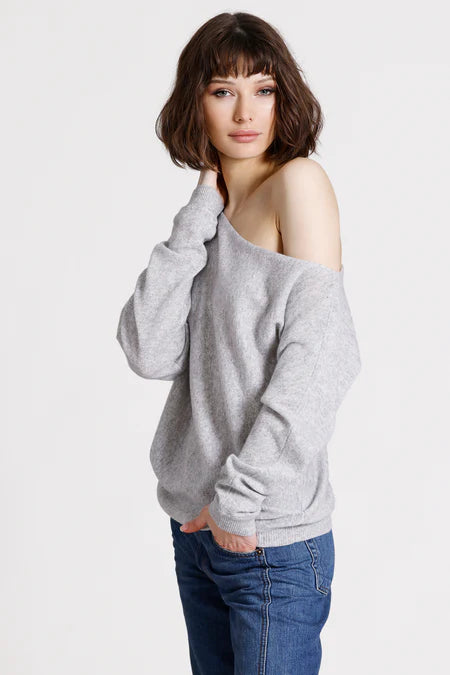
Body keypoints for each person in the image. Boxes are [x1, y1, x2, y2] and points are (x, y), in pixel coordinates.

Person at [116, 11, 362, 675]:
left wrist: (239, 498)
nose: (246, 112)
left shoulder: (298, 183)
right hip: (199, 531)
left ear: (285, 97)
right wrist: (200, 204)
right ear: (196, 102)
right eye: (223, 90)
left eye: (264, 89)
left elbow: (322, 360)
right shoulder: (212, 216)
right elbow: (148, 350)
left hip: (267, 537)